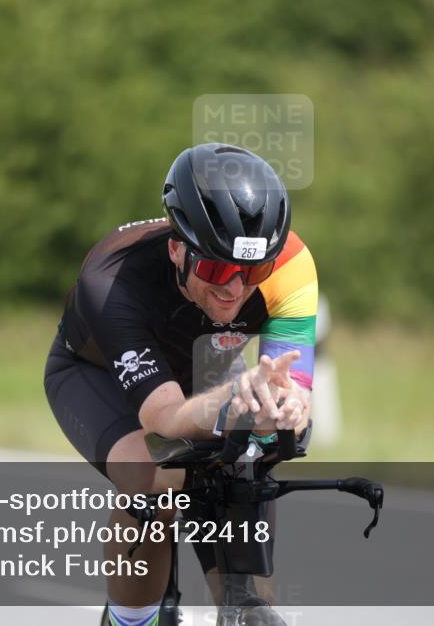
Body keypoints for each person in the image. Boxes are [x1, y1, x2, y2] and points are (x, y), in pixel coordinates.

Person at [44, 143, 317, 626]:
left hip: (204, 368)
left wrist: (287, 407)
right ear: (177, 249)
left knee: (246, 470)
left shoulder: (291, 264)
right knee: (156, 482)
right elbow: (164, 419)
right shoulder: (112, 280)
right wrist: (233, 399)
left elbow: (292, 385)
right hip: (97, 374)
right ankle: (132, 619)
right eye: (216, 269)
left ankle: (240, 610)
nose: (234, 289)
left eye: (252, 271)